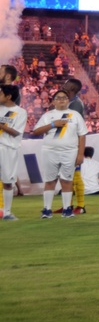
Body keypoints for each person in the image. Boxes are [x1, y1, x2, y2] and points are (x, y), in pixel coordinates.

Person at [33, 90, 87, 218]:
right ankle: (47, 209)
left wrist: (80, 154)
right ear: (53, 101)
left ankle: (67, 209)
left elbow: (82, 135)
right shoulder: (48, 115)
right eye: (58, 98)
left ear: (68, 101)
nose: (62, 99)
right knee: (50, 180)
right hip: (49, 151)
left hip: (70, 152)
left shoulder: (75, 115)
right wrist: (53, 124)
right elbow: (36, 131)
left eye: (65, 97)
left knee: (67, 180)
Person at [0, 83, 27, 220]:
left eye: (1, 94)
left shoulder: (20, 112)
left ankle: (7, 212)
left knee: (8, 181)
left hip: (8, 149)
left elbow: (16, 132)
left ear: (8, 96)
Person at [62, 77, 88, 214]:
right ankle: (69, 205)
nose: (62, 85)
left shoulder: (76, 104)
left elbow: (76, 126)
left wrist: (80, 151)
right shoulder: (69, 102)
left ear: (71, 88)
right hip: (66, 142)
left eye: (65, 84)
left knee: (75, 175)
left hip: (73, 143)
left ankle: (81, 206)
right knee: (68, 175)